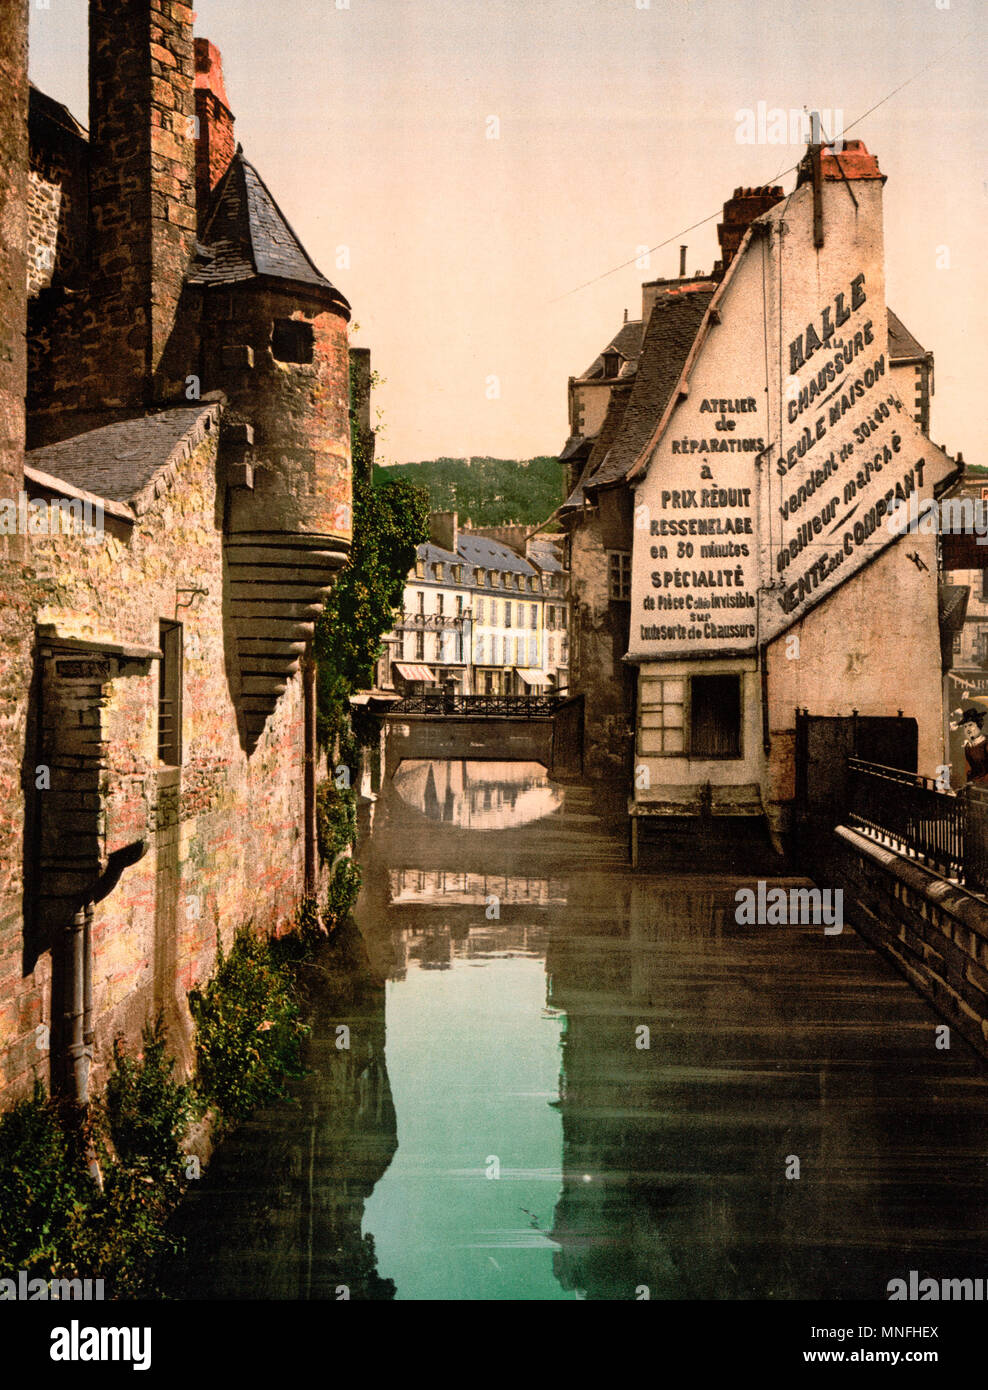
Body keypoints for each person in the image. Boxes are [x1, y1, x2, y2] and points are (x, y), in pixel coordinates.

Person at [960, 708, 988, 786]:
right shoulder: (968, 747)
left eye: (970, 725)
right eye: (965, 726)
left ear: (979, 724)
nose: (967, 729)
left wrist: (979, 782)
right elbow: (969, 770)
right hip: (975, 785)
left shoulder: (986, 742)